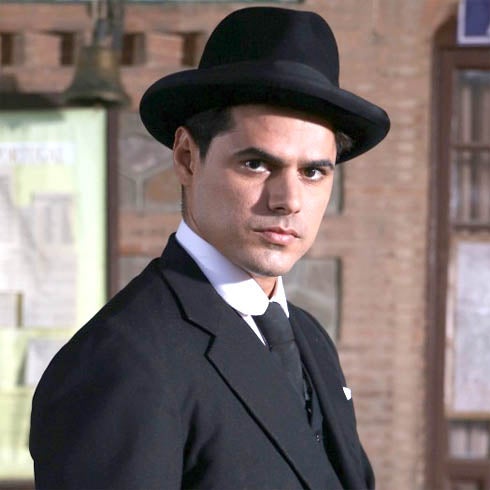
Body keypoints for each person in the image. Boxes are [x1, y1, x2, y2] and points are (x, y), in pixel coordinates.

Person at [29, 6, 389, 490]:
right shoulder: (120, 360)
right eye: (257, 164)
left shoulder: (310, 338)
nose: (288, 200)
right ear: (186, 157)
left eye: (312, 172)